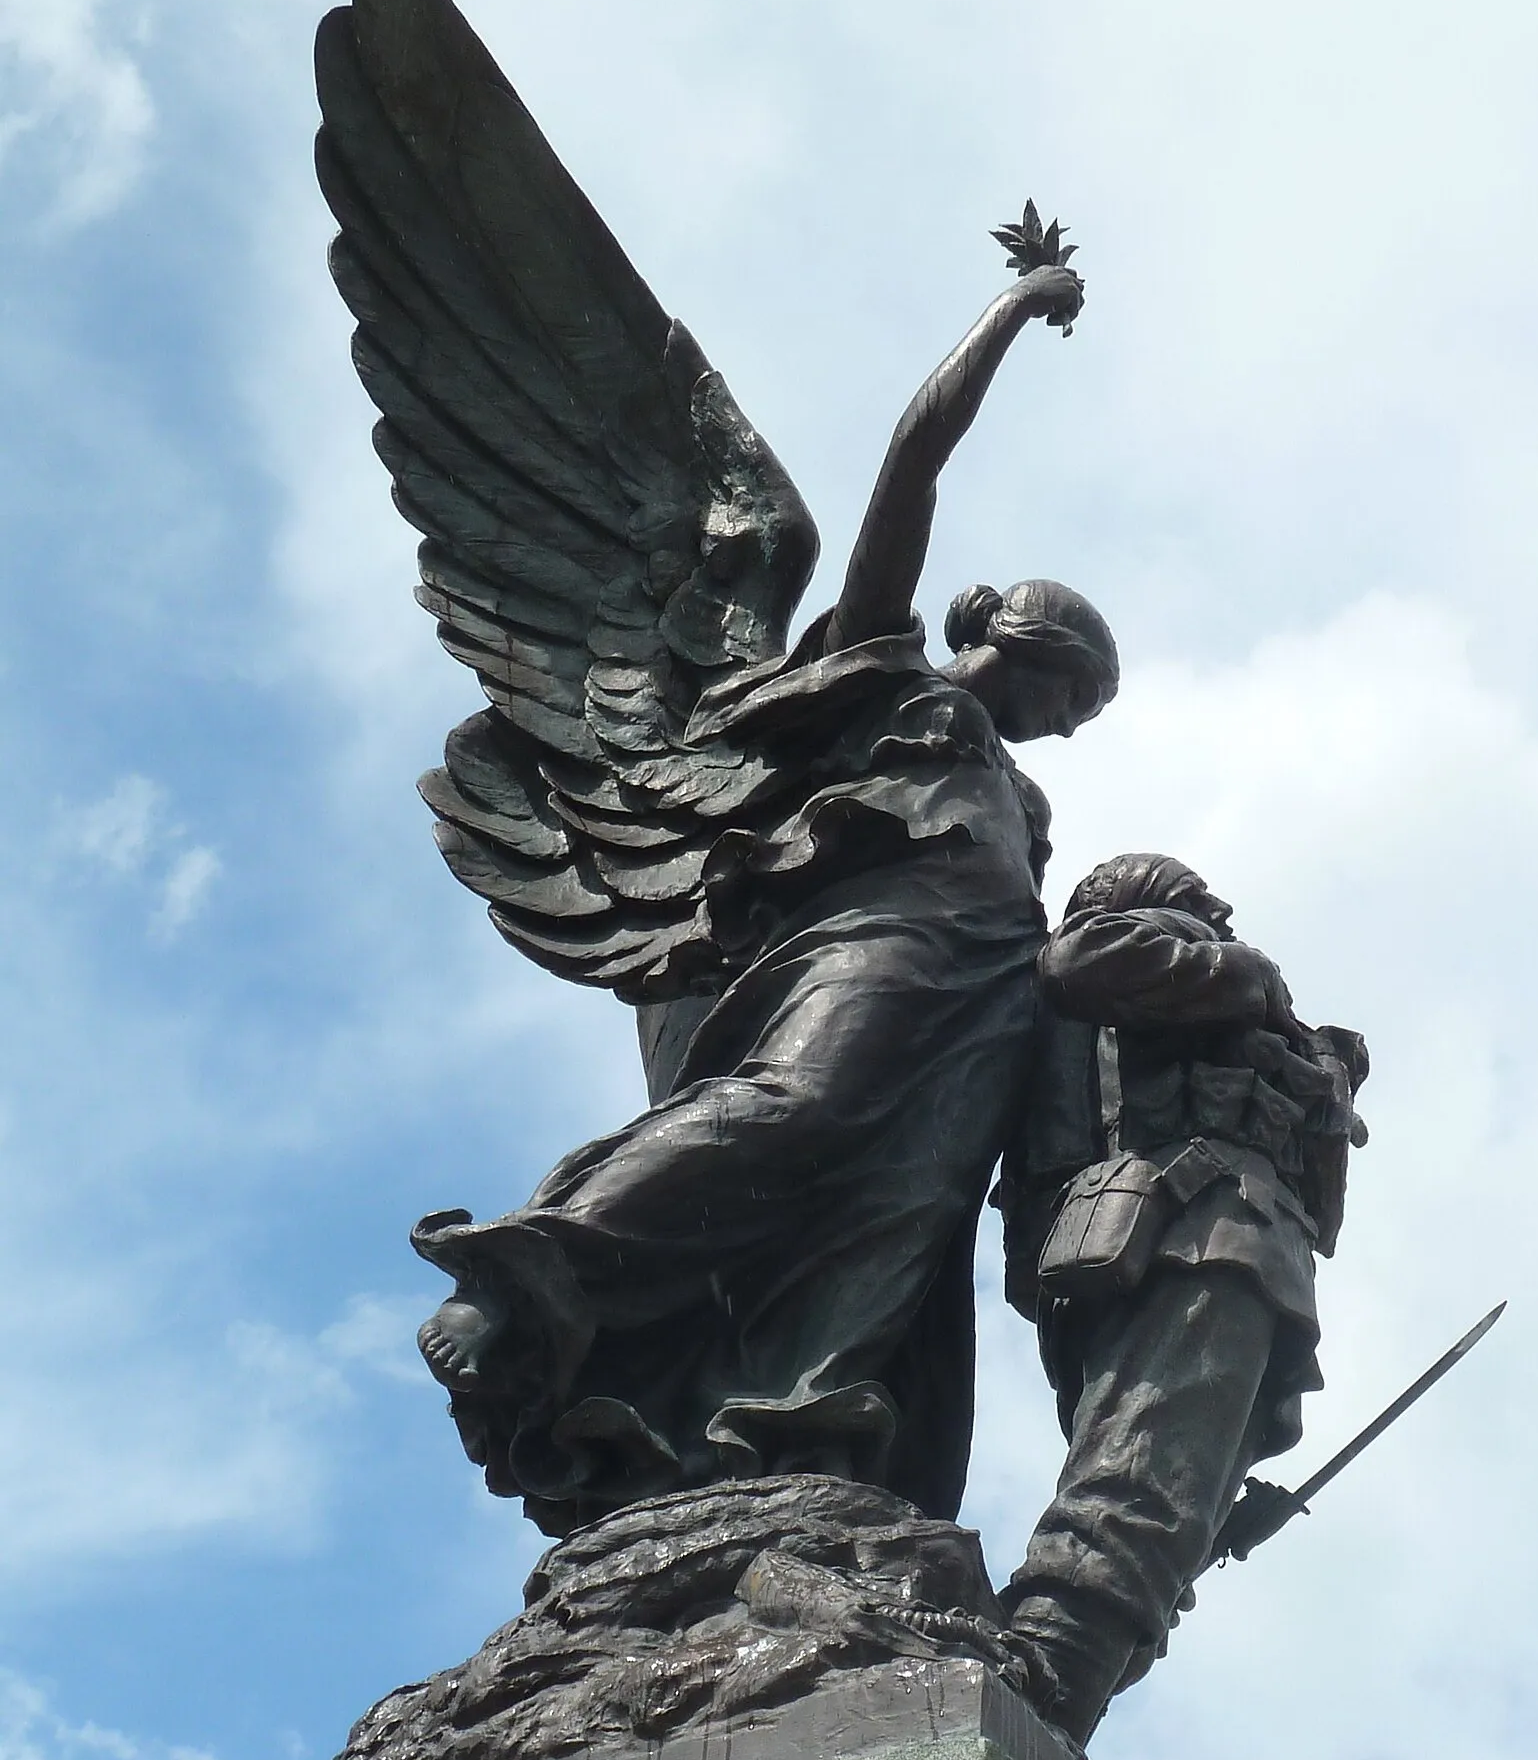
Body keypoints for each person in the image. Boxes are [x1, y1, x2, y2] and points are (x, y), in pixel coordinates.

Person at [413, 260, 1119, 1533]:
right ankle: (522, 1277)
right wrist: (1011, 311)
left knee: (907, 1226)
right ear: (1028, 644)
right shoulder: (888, 678)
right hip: (877, 950)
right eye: (1078, 695)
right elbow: (911, 464)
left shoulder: (1023, 798)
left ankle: (799, 1436)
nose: (1070, 727)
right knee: (789, 1107)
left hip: (985, 1010)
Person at [997, 854, 1368, 1744]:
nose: (1222, 916)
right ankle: (1039, 1671)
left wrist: (1322, 1069)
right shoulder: (1145, 956)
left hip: (1242, 1246)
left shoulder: (1240, 1022)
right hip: (1186, 1230)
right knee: (1143, 1478)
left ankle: (1058, 1700)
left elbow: (1323, 1198)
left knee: (1178, 1500)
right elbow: (1079, 961)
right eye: (1201, 906)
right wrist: (1253, 981)